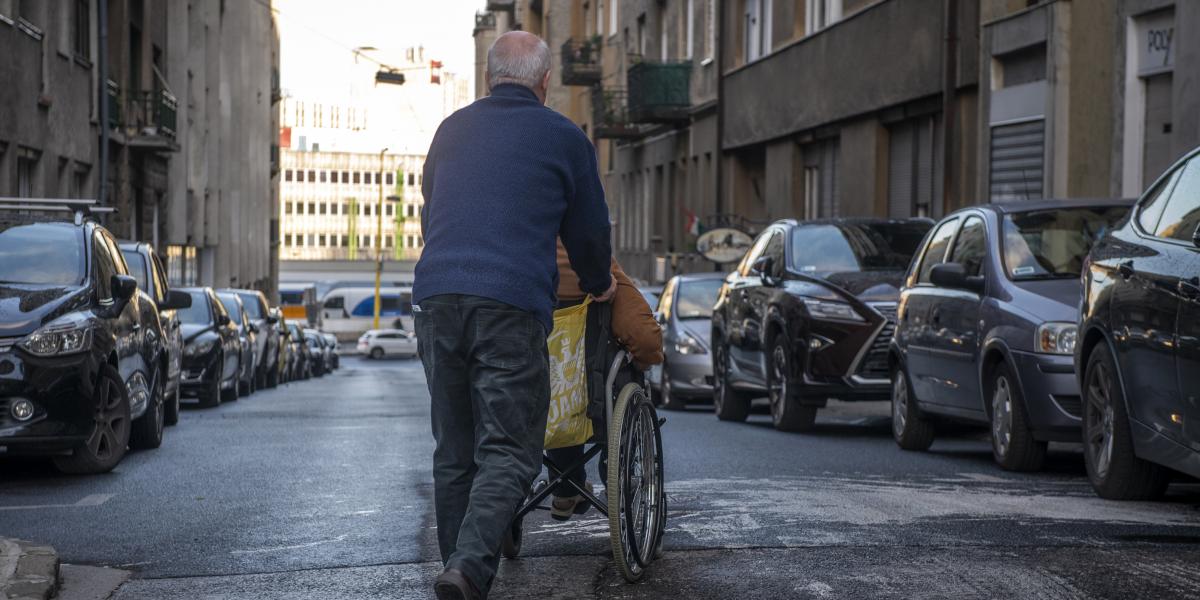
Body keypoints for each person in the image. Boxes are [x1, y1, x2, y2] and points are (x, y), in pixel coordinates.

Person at [412, 31, 616, 600]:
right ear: (545, 82)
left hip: (436, 297)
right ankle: (468, 567)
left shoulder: (451, 129)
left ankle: (462, 569)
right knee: (511, 448)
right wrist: (598, 286)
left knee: (455, 450)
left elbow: (433, 212)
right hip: (509, 303)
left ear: (489, 78)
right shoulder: (563, 136)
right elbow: (588, 233)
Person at [546, 241, 663, 520]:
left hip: (537, 400)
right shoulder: (597, 275)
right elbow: (646, 341)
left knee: (553, 391)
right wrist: (644, 361)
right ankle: (614, 467)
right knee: (612, 375)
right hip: (591, 398)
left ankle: (565, 486)